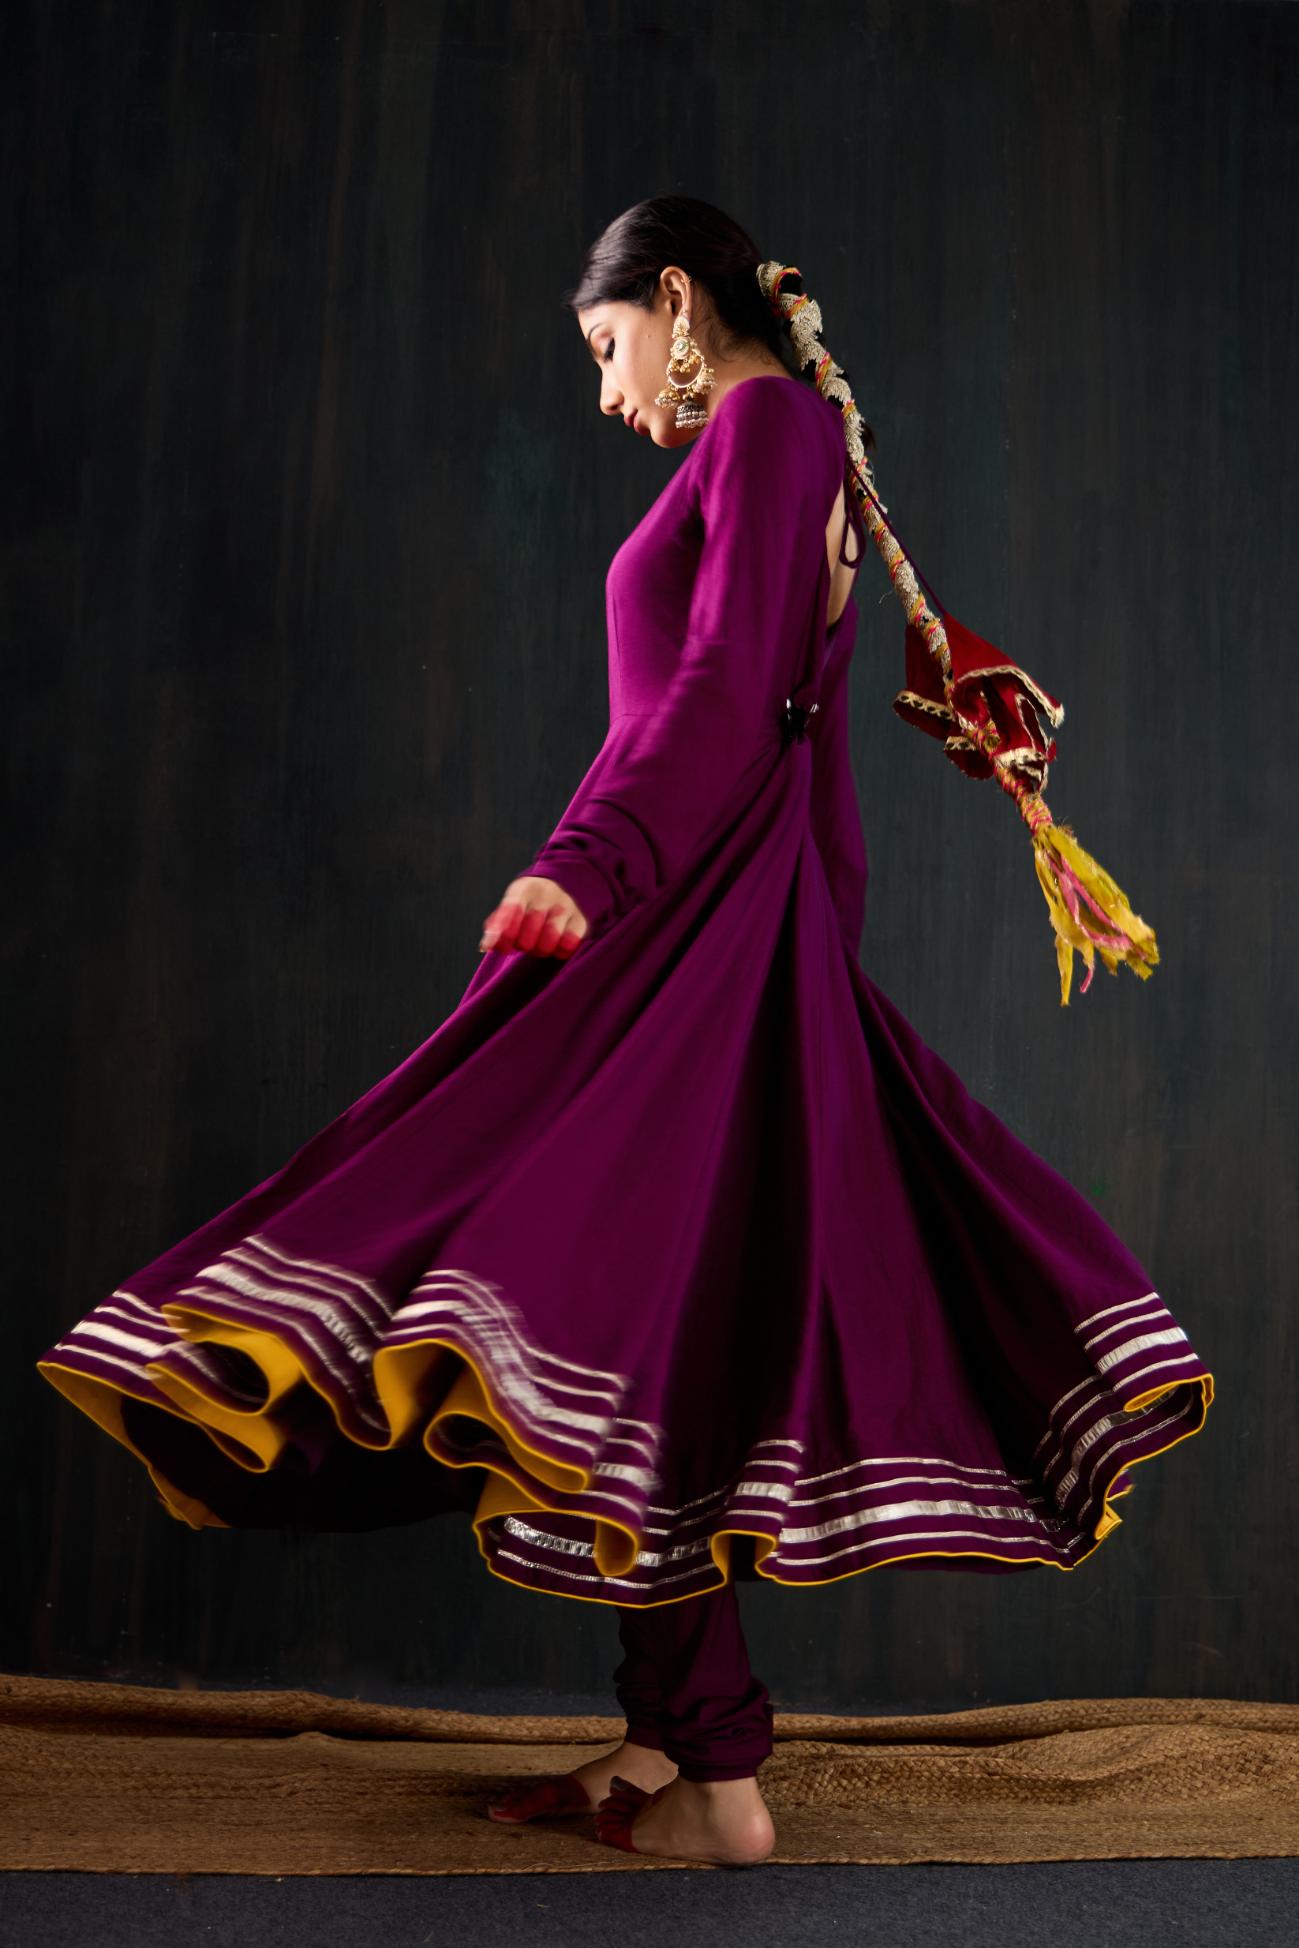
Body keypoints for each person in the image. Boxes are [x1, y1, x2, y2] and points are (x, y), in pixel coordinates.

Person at [35, 196, 1214, 1870]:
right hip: (701, 929)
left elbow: (733, 689)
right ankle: (674, 1740)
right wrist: (774, 948)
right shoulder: (782, 445)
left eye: (606, 348)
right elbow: (794, 746)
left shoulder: (769, 429)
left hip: (680, 929)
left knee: (594, 1301)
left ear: (675, 299)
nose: (603, 394)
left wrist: (596, 869)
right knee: (647, 1333)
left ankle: (722, 1784)